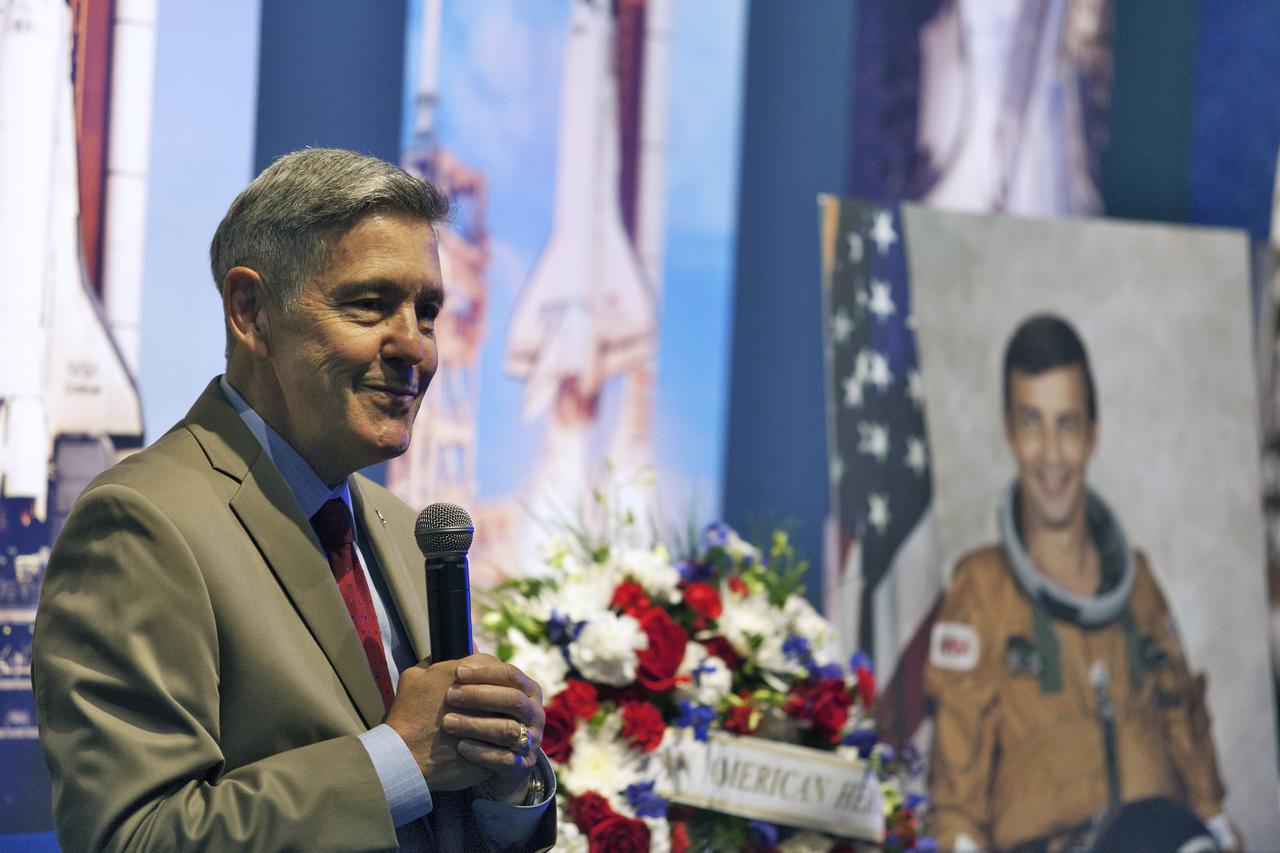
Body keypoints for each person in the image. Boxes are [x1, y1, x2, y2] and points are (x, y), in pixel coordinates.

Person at [32, 149, 556, 851]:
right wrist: (400, 759)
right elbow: (133, 836)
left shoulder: (405, 531)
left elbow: (441, 805)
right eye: (370, 303)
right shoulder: (141, 524)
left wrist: (504, 783)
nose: (415, 347)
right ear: (251, 311)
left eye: (426, 311)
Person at [924, 314, 1235, 852]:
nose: (1050, 452)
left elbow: (1197, 767)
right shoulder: (980, 592)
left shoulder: (1138, 586)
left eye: (1067, 424)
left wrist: (1222, 833)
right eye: (1031, 422)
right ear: (1007, 430)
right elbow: (955, 809)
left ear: (1093, 432)